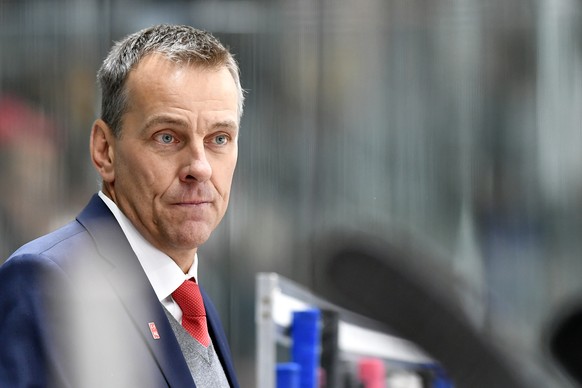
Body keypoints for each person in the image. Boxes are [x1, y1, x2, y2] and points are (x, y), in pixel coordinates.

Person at [0, 24, 244, 388]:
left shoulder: (192, 300)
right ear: (104, 151)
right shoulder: (49, 281)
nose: (200, 167)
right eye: (167, 137)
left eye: (219, 138)